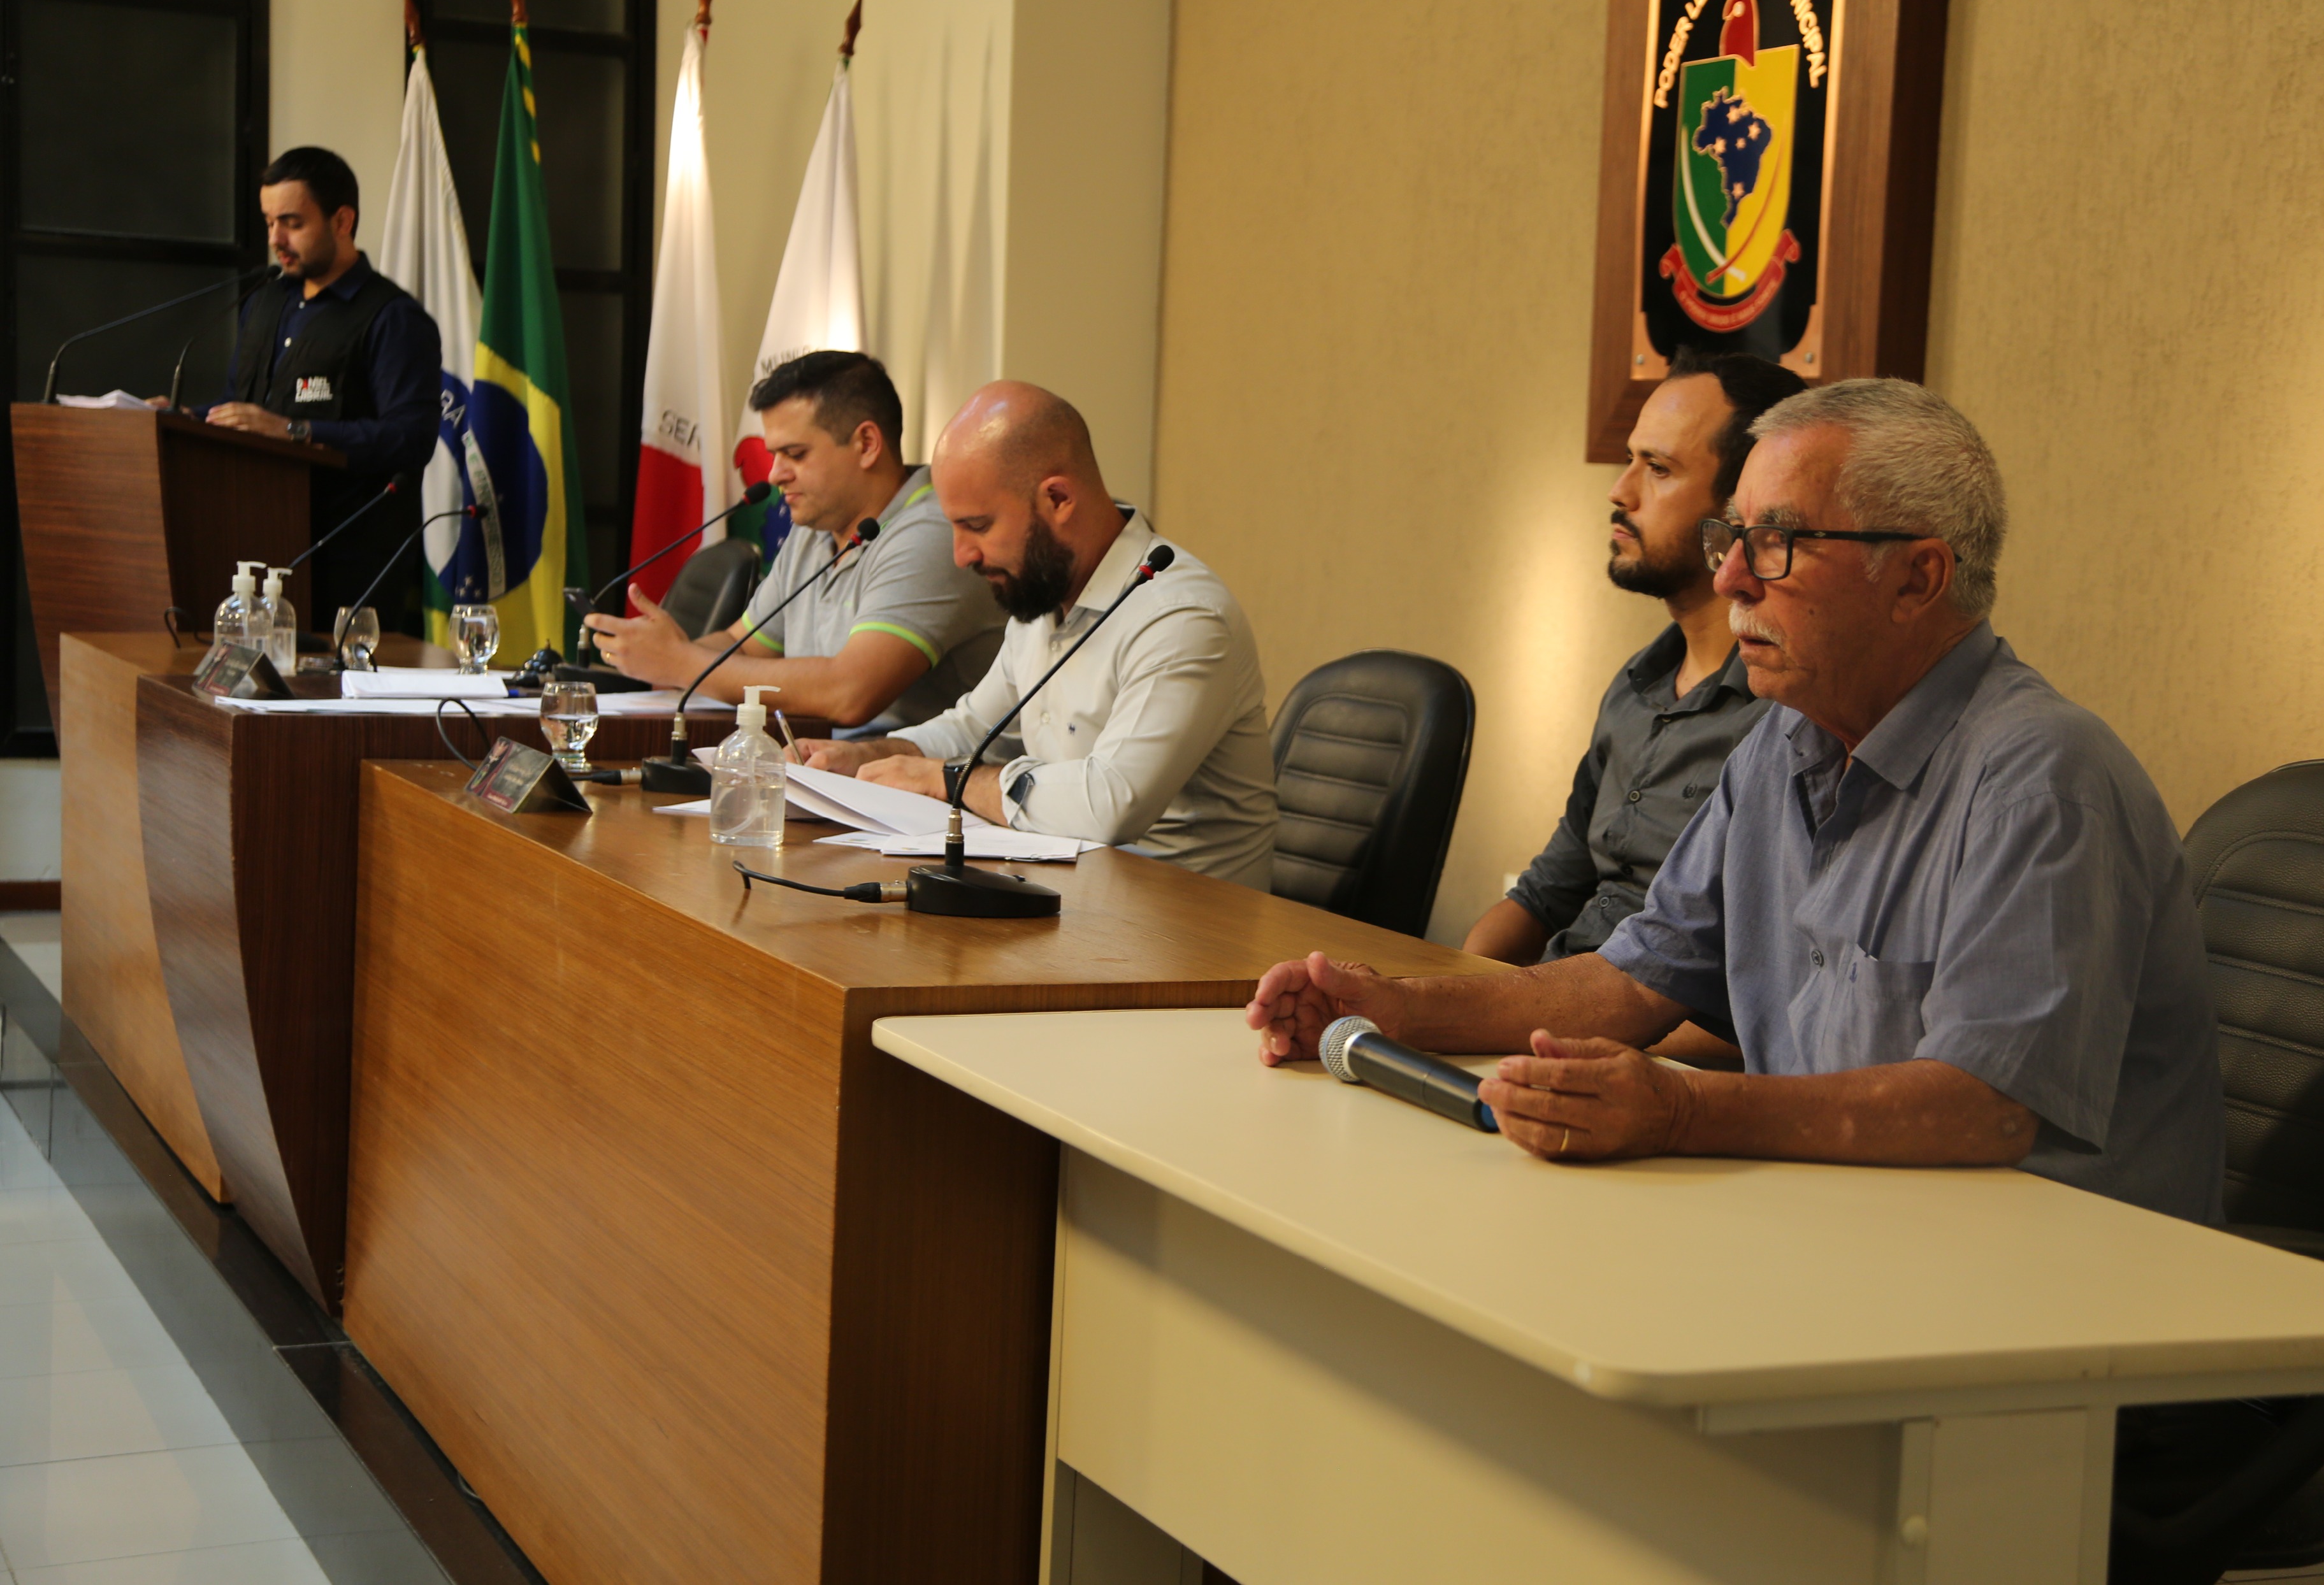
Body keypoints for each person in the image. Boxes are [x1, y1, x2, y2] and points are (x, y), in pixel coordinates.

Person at [1249, 378, 2224, 1224]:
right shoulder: (1781, 747)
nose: (1727, 577)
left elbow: (1984, 1106)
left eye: (1777, 543)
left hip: (2051, 1317)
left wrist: (1682, 1113)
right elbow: (1631, 982)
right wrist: (1397, 1008)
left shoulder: (2040, 778)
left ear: (1918, 577)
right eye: (1731, 536)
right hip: (1836, 1235)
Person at [795, 381, 1279, 886]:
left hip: (1185, 930)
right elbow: (971, 728)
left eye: (978, 526)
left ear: (1059, 498)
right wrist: (869, 756)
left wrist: (947, 780)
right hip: (1072, 897)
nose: (961, 556)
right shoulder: (1041, 598)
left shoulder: (1180, 617)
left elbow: (1109, 806)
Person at [1464, 350, 1803, 965]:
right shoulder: (1636, 682)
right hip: (1551, 1006)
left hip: (1652, 1041)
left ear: (1741, 506)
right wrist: (1460, 984)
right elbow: (1545, 895)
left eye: (1659, 468)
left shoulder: (1788, 715)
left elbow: (1760, 980)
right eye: (1630, 460)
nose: (1620, 491)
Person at [584, 352, 1006, 731]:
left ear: (866, 444)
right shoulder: (815, 529)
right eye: (774, 455)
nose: (774, 474)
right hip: (824, 773)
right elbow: (741, 645)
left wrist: (681, 663)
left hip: (913, 799)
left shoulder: (934, 532)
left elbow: (850, 692)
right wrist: (654, 650)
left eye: (796, 454)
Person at [202, 147, 443, 635]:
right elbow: (245, 412)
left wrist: (296, 431)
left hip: (346, 563)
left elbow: (411, 437)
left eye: (291, 222)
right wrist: (185, 414)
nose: (275, 239)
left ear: (342, 220)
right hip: (253, 545)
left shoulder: (393, 318)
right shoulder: (264, 304)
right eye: (269, 222)